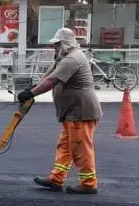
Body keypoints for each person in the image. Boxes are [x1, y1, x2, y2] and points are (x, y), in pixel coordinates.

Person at [17, 28, 101, 195]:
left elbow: (51, 81)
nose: (54, 47)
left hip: (81, 112)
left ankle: (89, 183)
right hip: (71, 113)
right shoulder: (64, 58)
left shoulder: (73, 59)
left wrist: (32, 93)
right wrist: (32, 88)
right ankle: (56, 179)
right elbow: (49, 75)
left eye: (56, 44)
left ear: (65, 43)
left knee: (81, 148)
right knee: (65, 147)